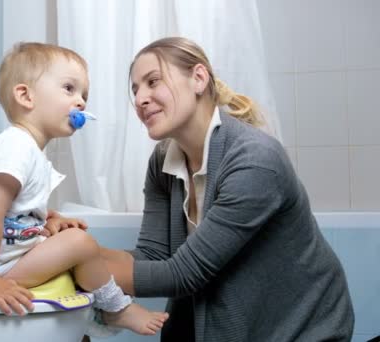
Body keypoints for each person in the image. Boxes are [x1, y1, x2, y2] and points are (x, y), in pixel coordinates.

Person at [98, 37, 355, 341]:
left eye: (153, 81)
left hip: (303, 329)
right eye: (135, 89)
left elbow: (183, 274)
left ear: (198, 78)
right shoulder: (162, 161)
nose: (140, 98)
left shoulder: (255, 160)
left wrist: (80, 261)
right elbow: (153, 255)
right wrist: (67, 252)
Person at [0, 42, 168, 335]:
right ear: (26, 96)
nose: (80, 102)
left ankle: (87, 320)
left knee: (72, 242)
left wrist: (49, 219)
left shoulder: (28, 150)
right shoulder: (16, 147)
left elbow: (14, 211)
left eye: (84, 95)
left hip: (0, 260)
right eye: (69, 89)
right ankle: (115, 310)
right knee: (80, 245)